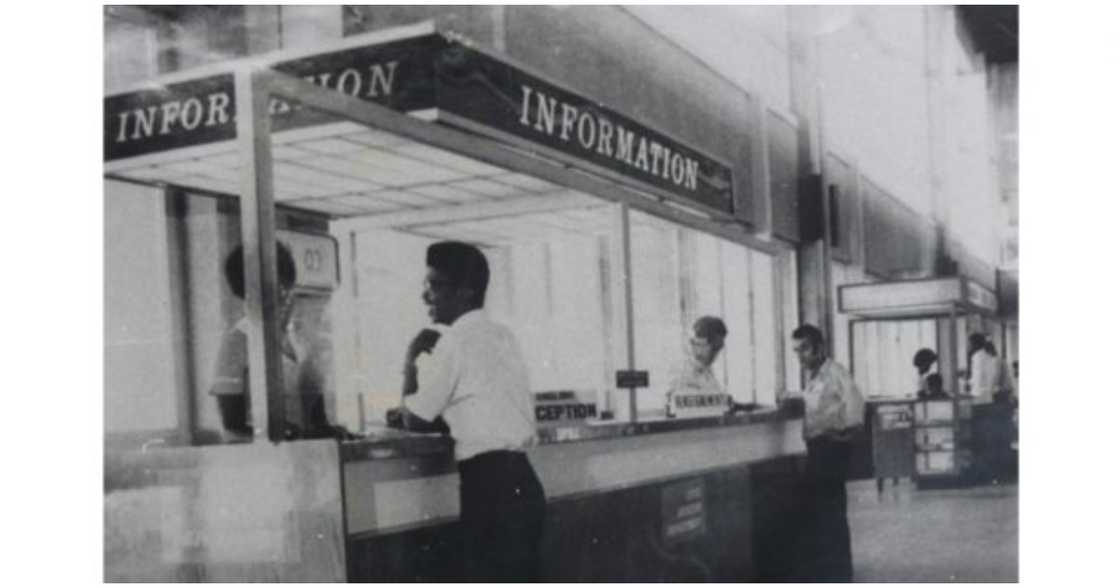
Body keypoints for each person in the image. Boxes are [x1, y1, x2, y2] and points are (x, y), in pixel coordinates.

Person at [386, 241, 546, 580]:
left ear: (466, 292)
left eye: (435, 285)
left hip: (489, 487)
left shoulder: (454, 342)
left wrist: (412, 357)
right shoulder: (504, 336)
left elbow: (416, 418)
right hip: (525, 482)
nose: (426, 295)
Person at [209, 243, 346, 442]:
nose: (285, 299)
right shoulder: (236, 344)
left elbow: (315, 419)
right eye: (276, 292)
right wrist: (278, 433)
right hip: (260, 463)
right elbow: (232, 427)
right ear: (249, 295)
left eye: (287, 288)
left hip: (301, 459)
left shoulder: (298, 341)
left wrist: (327, 431)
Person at [789, 324, 864, 581]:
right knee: (821, 511)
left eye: (805, 349)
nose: (800, 356)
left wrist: (839, 435)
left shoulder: (836, 373)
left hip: (831, 450)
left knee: (830, 511)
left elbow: (856, 411)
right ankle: (827, 571)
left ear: (820, 347)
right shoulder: (815, 377)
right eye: (796, 351)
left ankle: (839, 574)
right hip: (817, 449)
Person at [664, 316, 728, 417]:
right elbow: (676, 409)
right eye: (715, 347)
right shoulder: (680, 371)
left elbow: (715, 405)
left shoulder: (707, 370)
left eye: (718, 348)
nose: (715, 354)